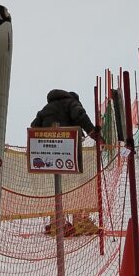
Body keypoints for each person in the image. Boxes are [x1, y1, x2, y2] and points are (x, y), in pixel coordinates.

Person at [32, 90, 102, 237]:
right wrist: (95, 134)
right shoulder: (71, 103)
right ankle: (80, 220)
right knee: (76, 188)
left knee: (57, 190)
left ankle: (57, 222)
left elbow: (34, 127)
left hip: (49, 157)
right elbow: (80, 116)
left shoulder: (46, 109)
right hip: (70, 153)